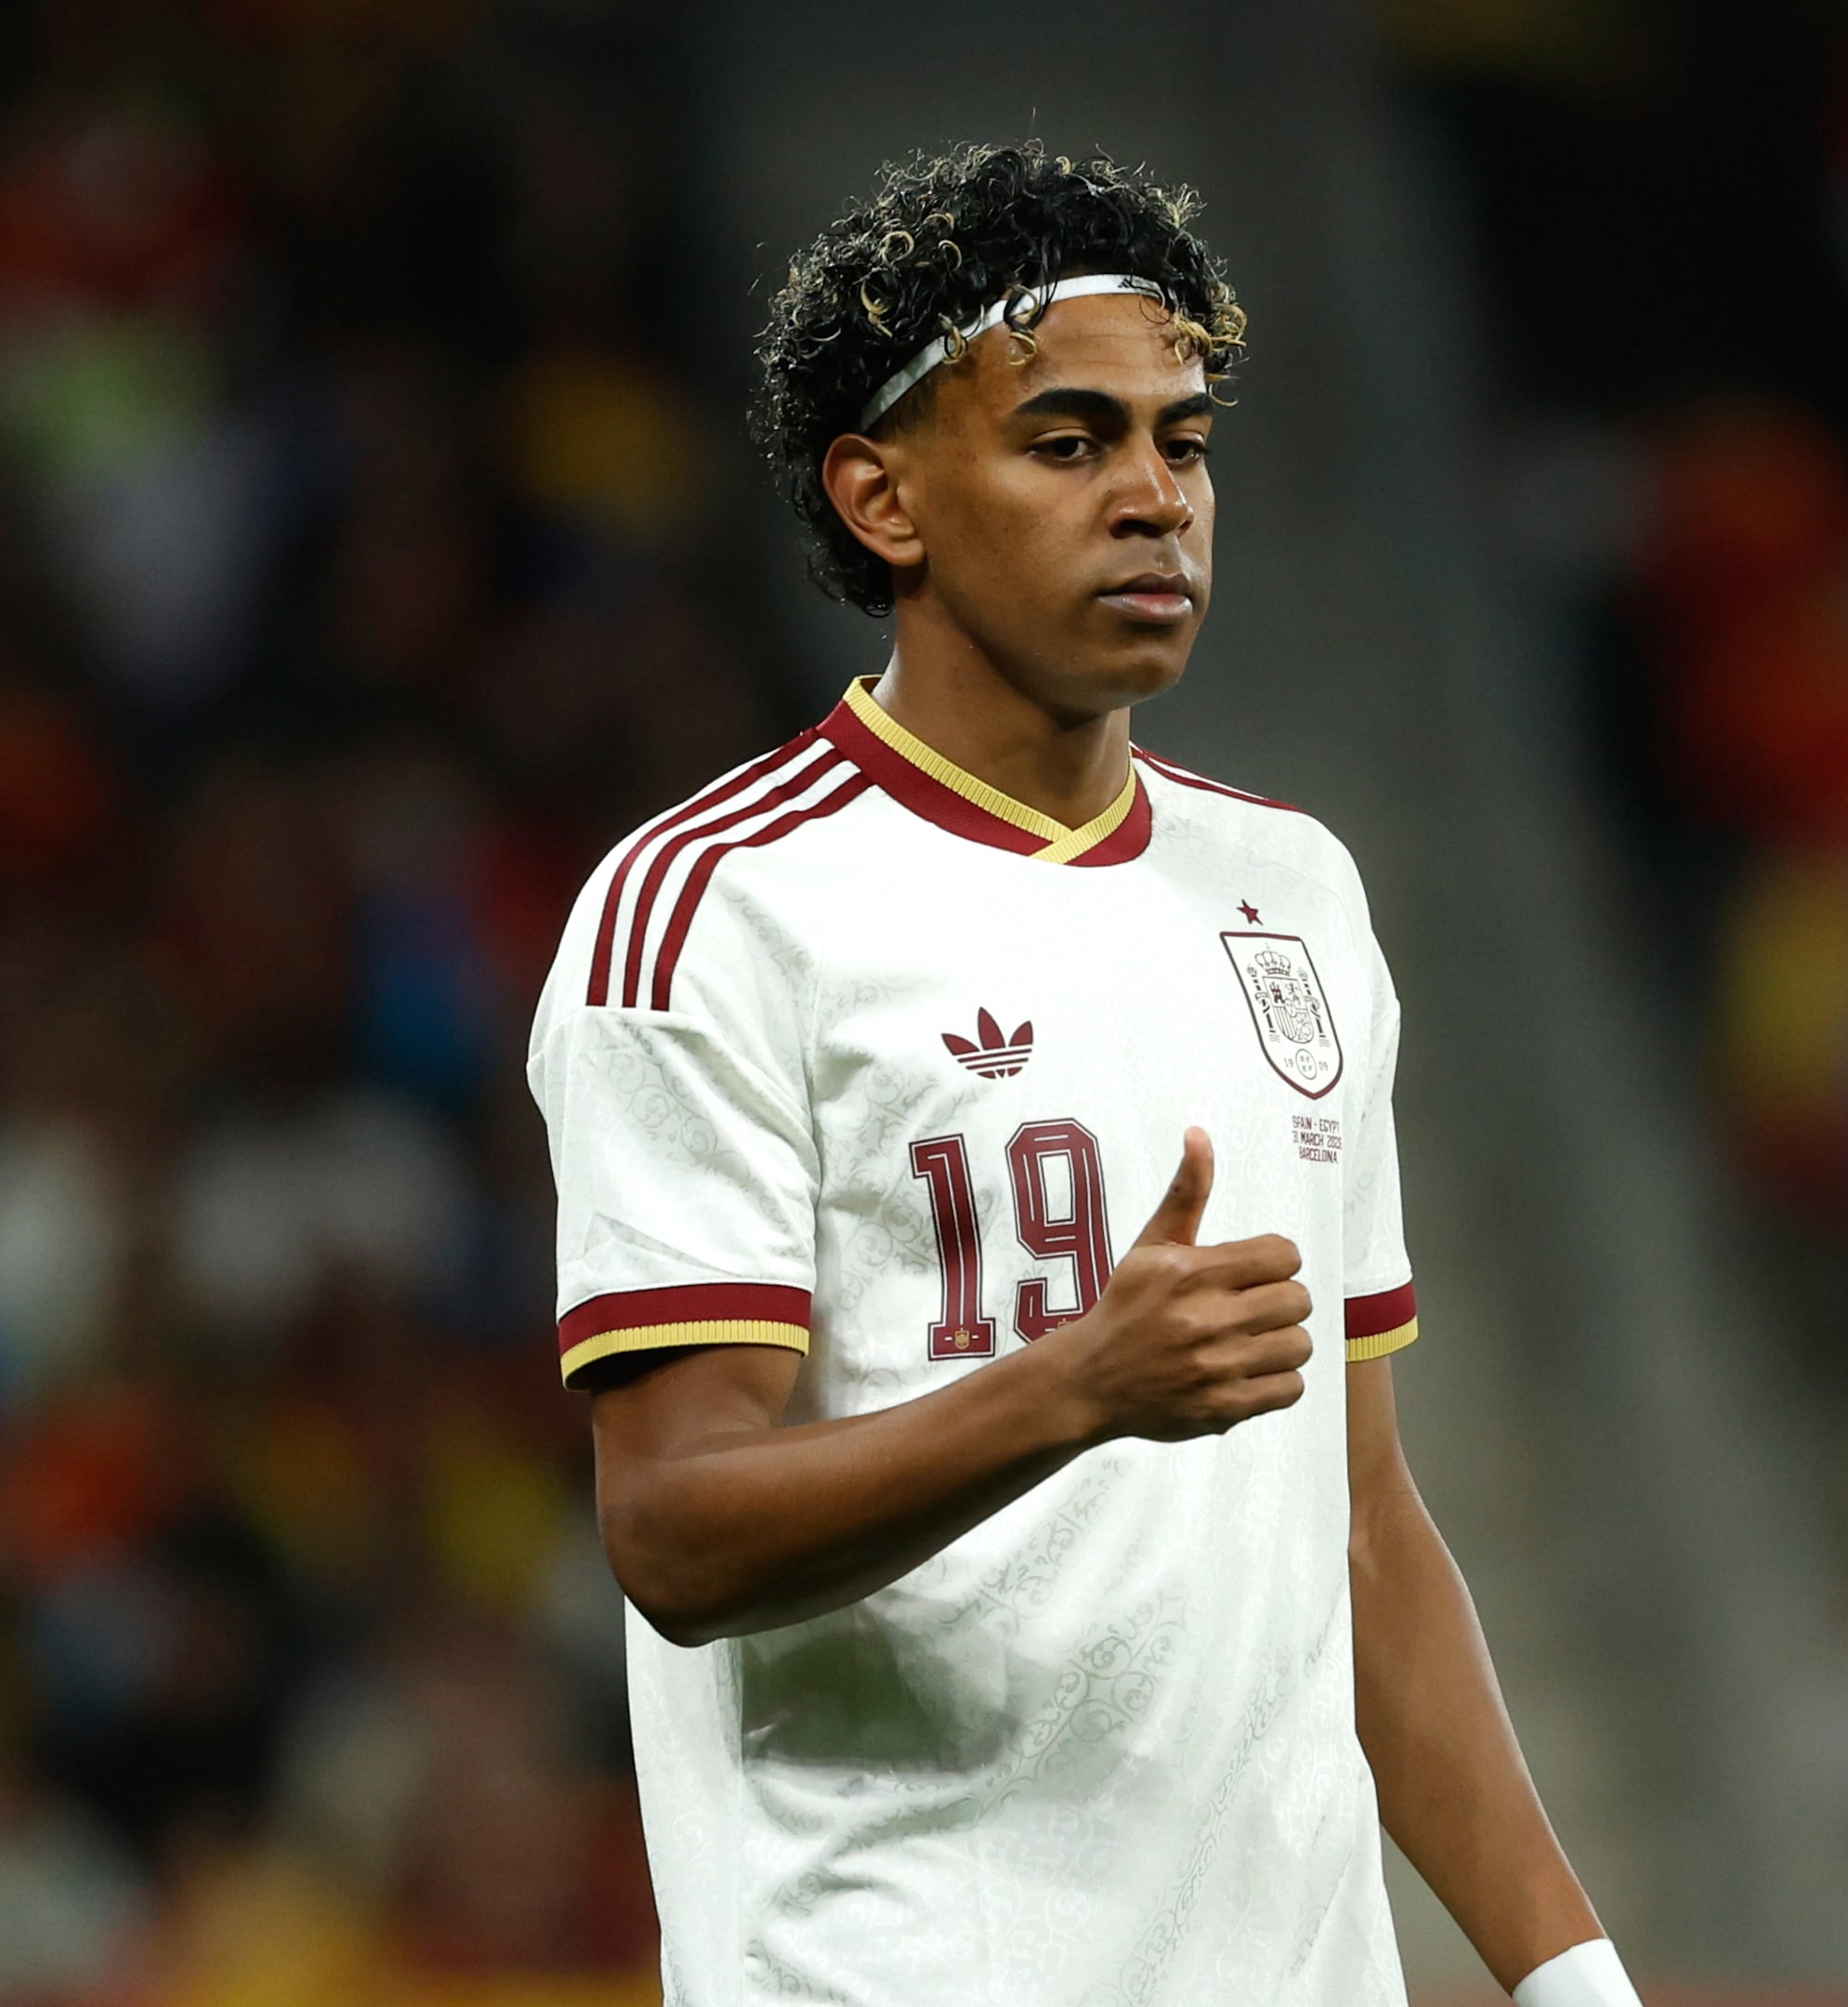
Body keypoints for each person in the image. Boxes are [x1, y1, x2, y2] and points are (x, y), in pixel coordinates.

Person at [526, 144, 1632, 2005]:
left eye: (1182, 446)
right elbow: (674, 1527)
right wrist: (1073, 1390)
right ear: (884, 498)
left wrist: (1567, 1977)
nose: (1154, 502)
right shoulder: (712, 912)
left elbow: (1356, 1523)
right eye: (1068, 444)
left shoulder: (1289, 891)